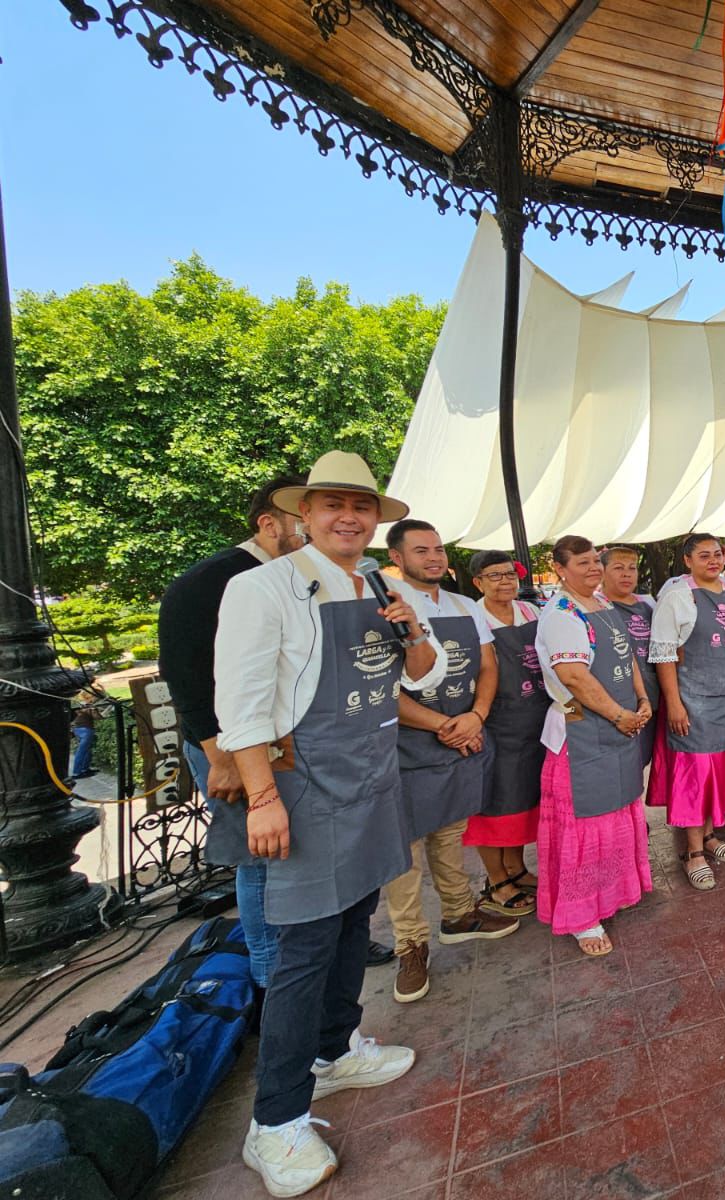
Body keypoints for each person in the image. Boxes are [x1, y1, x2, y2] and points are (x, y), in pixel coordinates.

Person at [215, 451, 441, 1196]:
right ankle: (273, 1124)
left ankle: (335, 1048)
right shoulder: (263, 588)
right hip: (304, 786)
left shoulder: (377, 583)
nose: (349, 517)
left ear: (377, 521)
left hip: (371, 778)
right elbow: (242, 706)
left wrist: (411, 630)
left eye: (362, 506)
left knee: (354, 922)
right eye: (332, 504)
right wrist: (264, 797)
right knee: (303, 948)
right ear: (304, 514)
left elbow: (422, 674)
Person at [159, 473, 306, 988]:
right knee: (261, 856)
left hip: (287, 742)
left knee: (300, 847)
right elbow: (187, 676)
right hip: (227, 744)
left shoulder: (304, 576)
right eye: (304, 519)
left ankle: (308, 951)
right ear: (270, 524)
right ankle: (270, 977)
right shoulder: (212, 581)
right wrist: (220, 756)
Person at [385, 520, 519, 1004]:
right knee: (406, 848)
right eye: (421, 550)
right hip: (411, 742)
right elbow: (383, 688)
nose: (435, 557)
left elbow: (487, 666)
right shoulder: (388, 605)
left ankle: (460, 915)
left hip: (463, 730)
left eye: (439, 549)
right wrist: (444, 725)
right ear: (397, 558)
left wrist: (477, 715)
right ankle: (410, 945)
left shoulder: (464, 606)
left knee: (449, 831)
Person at [536, 536, 653, 956]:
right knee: (584, 825)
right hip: (583, 733)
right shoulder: (562, 613)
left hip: (619, 725)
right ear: (560, 569)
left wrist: (640, 701)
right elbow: (574, 677)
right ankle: (583, 916)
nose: (592, 569)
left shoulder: (601, 606)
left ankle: (613, 893)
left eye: (594, 562)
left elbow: (628, 659)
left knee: (618, 813)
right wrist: (619, 715)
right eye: (581, 563)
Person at [649, 533, 725, 890]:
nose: (713, 561)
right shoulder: (677, 596)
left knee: (719, 771)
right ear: (688, 560)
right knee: (695, 776)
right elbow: (665, 655)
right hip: (694, 702)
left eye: (717, 554)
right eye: (704, 556)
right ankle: (693, 852)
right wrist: (674, 704)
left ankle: (711, 835)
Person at [463, 549, 548, 913]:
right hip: (495, 721)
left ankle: (516, 868)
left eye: (510, 575)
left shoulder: (532, 612)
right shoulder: (471, 618)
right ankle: (496, 879)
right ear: (477, 582)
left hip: (532, 720)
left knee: (521, 800)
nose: (505, 582)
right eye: (494, 576)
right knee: (494, 802)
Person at [600, 545, 659, 767]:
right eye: (618, 568)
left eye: (632, 568)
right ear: (602, 571)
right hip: (615, 699)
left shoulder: (648, 605)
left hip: (650, 696)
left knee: (642, 757)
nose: (626, 574)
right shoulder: (597, 606)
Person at [69, 695, 99, 780]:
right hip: (86, 729)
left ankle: (84, 769)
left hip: (78, 729)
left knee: (86, 751)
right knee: (82, 751)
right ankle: (77, 772)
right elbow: (97, 717)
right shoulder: (87, 706)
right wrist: (94, 709)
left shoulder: (79, 704)